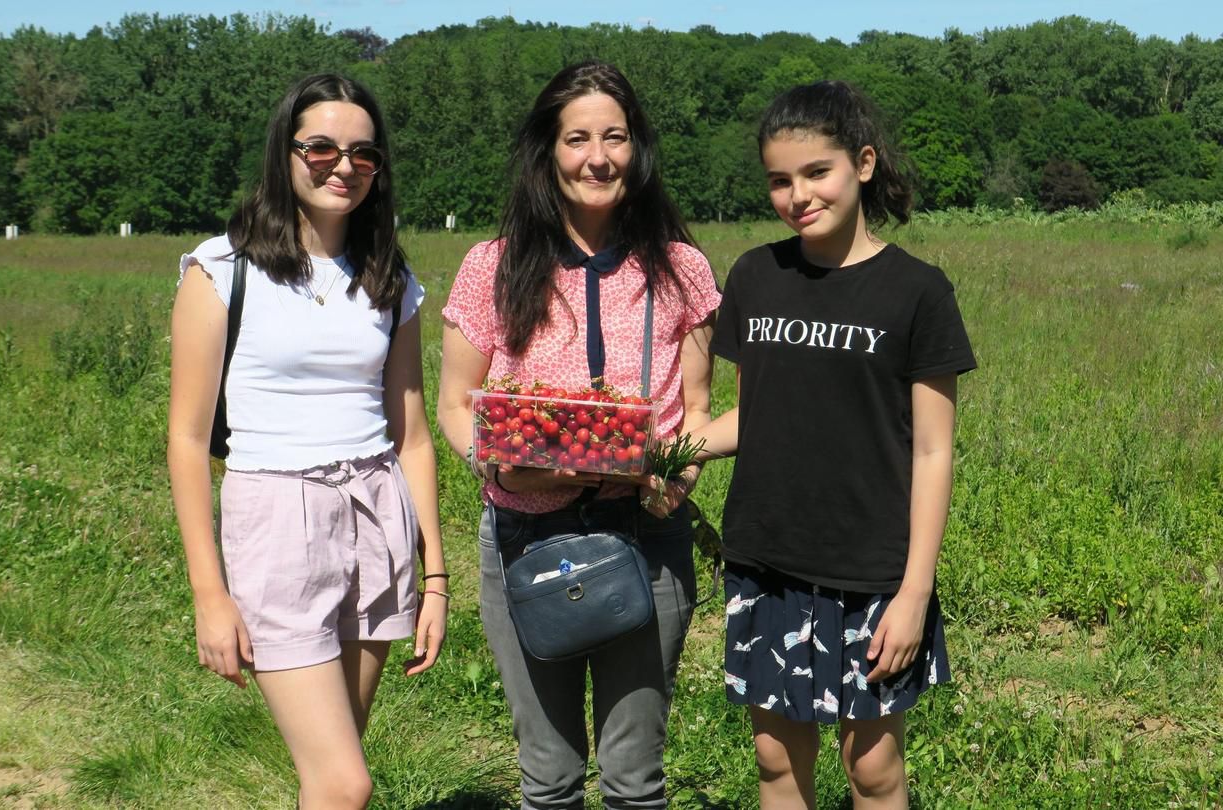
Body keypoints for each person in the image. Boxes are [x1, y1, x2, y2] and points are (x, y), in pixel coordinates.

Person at [436, 61, 720, 809]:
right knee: (550, 775)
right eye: (577, 138)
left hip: (646, 541)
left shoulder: (682, 270)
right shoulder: (492, 267)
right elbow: (456, 407)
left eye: (616, 137)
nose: (598, 157)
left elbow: (694, 410)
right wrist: (498, 467)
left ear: (639, 149)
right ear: (547, 152)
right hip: (525, 541)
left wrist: (675, 481)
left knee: (634, 779)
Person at [689, 81, 977, 809]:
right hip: (767, 561)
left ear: (864, 164)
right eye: (779, 180)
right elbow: (754, 415)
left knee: (872, 770)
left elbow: (933, 453)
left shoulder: (917, 293)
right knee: (777, 765)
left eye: (817, 172)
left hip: (873, 572)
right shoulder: (758, 275)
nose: (797, 195)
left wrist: (913, 594)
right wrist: (670, 449)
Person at [167, 73, 446, 809]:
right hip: (277, 516)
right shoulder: (220, 270)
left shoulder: (391, 279)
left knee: (332, 773)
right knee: (345, 783)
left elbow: (413, 434)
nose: (342, 165)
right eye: (320, 147)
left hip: (379, 516)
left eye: (362, 153)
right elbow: (188, 440)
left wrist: (437, 579)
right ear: (285, 154)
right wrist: (209, 596)